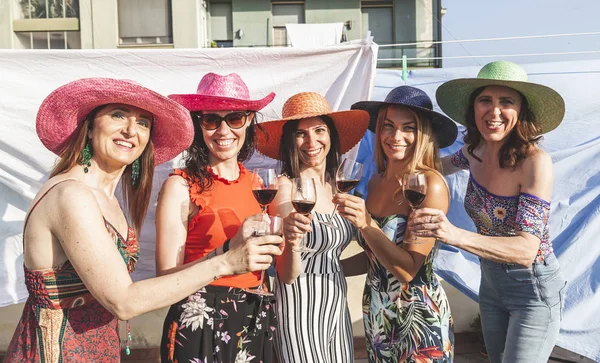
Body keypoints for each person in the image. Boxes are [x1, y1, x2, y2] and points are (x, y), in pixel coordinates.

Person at [5, 78, 281, 363]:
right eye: (118, 115)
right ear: (89, 127)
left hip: (100, 352)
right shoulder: (70, 195)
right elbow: (124, 301)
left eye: (143, 123)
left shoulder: (106, 198)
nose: (130, 130)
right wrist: (226, 260)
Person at [410, 60, 567, 363]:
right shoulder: (473, 151)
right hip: (490, 285)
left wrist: (453, 234)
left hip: (532, 289)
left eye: (506, 102)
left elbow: (525, 249)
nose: (494, 112)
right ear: (473, 109)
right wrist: (400, 160)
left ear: (521, 111)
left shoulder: (534, 162)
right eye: (486, 100)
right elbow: (435, 170)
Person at [156, 73, 281, 363]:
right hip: (201, 316)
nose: (223, 130)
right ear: (199, 125)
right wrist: (226, 251)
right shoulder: (181, 186)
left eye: (234, 118)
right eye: (211, 119)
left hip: (255, 314)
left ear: (249, 121)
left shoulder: (261, 187)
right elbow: (164, 279)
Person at [334, 86, 458, 362]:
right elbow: (375, 259)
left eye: (408, 128)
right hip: (378, 314)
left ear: (423, 134)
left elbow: (407, 270)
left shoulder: (431, 185)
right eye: (388, 126)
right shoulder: (376, 180)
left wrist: (366, 224)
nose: (395, 136)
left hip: (417, 317)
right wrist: (327, 268)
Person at [256, 92, 370, 363]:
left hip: (335, 301)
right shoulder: (285, 187)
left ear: (330, 135)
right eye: (300, 134)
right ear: (289, 142)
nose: (311, 141)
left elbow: (338, 256)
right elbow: (286, 273)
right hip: (298, 303)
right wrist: (291, 237)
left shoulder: (339, 183)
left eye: (319, 130)